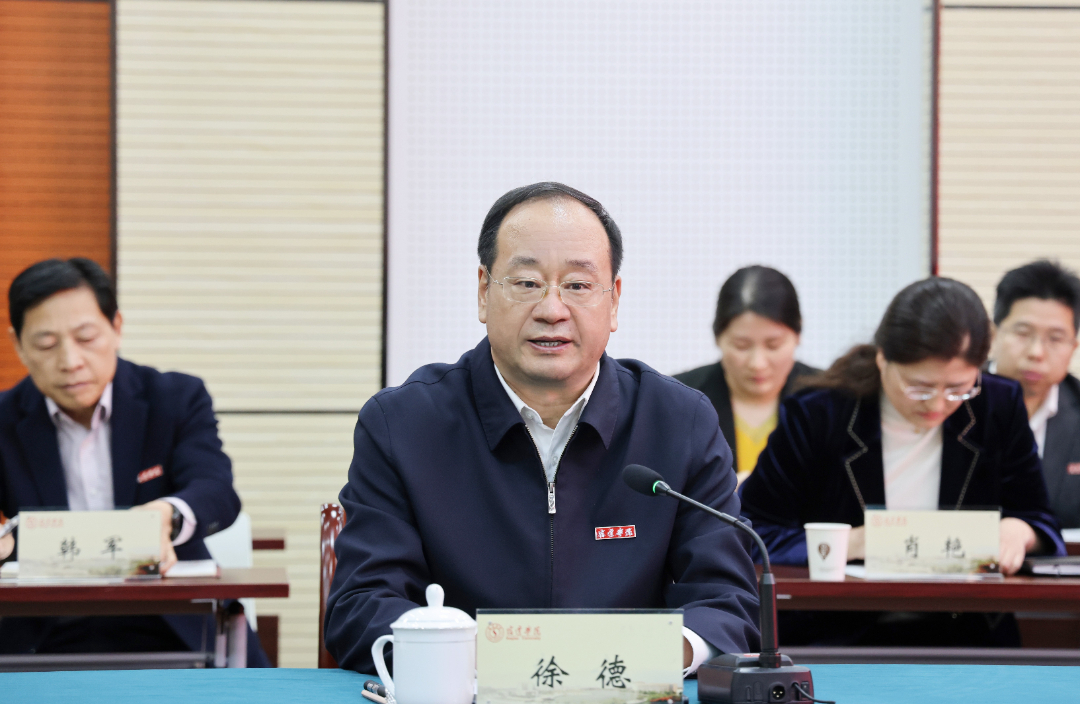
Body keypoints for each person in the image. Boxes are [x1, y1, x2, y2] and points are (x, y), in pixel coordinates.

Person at [325, 182, 760, 675]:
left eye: (578, 285)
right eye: (527, 283)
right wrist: (490, 662)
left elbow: (728, 603)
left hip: (628, 696)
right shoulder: (404, 426)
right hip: (465, 698)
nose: (552, 310)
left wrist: (641, 660)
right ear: (484, 292)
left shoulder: (679, 423)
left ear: (614, 301)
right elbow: (361, 605)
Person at [739, 276, 1064, 646]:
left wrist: (1019, 531)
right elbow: (751, 533)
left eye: (957, 389)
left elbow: (1041, 519)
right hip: (839, 632)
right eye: (919, 387)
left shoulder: (997, 406)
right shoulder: (818, 414)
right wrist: (853, 543)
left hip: (969, 631)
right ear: (883, 358)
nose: (937, 405)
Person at [0, 258, 268, 666]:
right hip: (44, 624)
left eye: (86, 337)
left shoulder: (175, 398)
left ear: (117, 327)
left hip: (170, 615)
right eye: (46, 344)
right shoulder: (4, 418)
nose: (70, 361)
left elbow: (215, 489)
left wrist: (166, 516)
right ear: (18, 344)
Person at [675, 266, 817, 481]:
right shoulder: (679, 400)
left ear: (798, 334)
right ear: (718, 337)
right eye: (741, 346)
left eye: (773, 345)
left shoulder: (829, 401)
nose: (757, 364)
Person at [990, 261, 1080, 528]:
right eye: (1023, 333)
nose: (1036, 353)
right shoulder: (953, 399)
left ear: (1073, 347)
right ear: (994, 334)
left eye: (1055, 338)